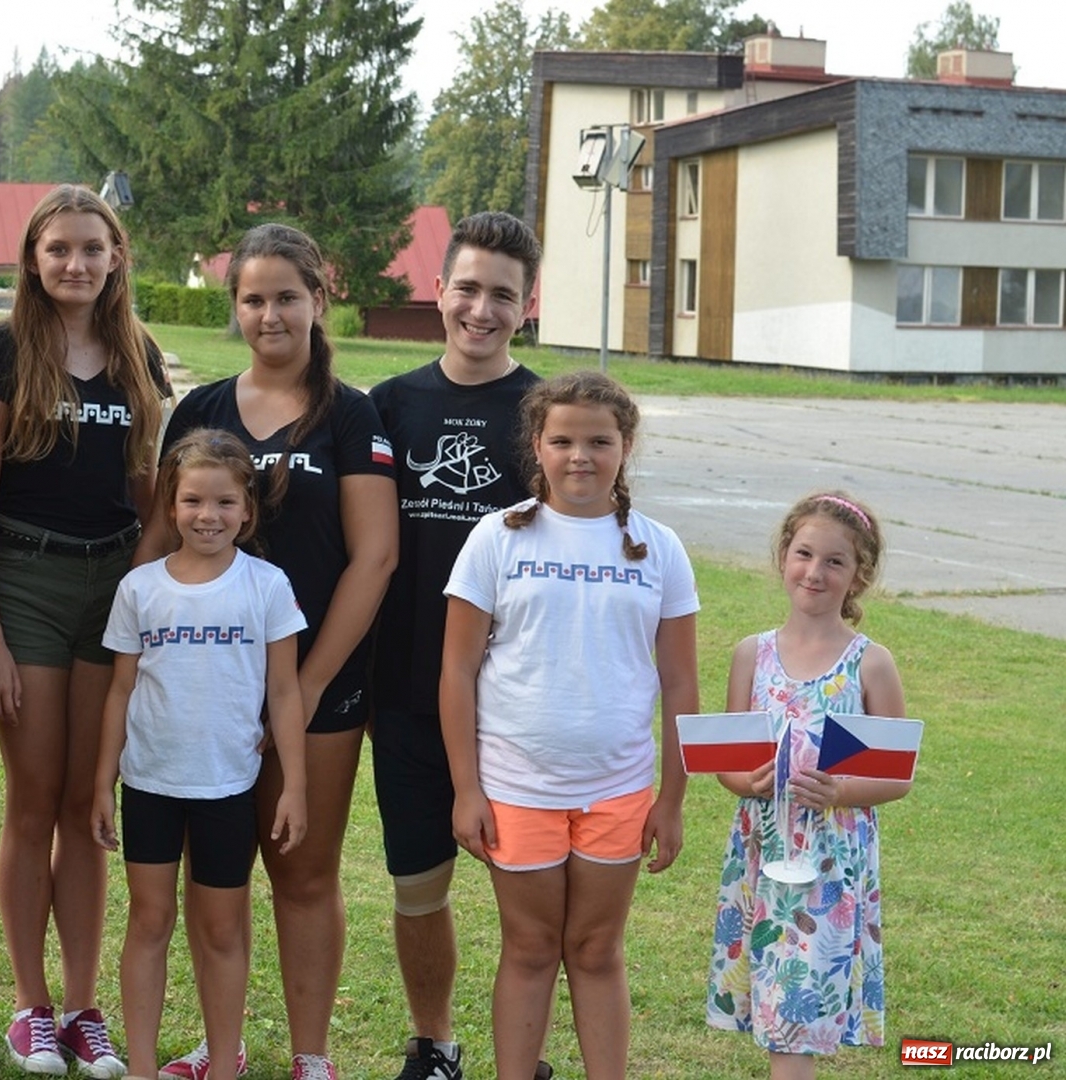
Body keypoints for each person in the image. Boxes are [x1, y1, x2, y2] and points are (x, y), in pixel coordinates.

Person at [142, 223, 397, 1080]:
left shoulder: (353, 414)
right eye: (253, 298)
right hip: (203, 689)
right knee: (217, 876)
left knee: (303, 871)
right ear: (235, 306)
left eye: (287, 296)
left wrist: (311, 680)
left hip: (316, 691)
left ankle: (311, 1056)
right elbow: (157, 543)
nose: (270, 314)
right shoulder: (203, 409)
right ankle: (223, 1047)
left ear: (319, 300)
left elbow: (376, 556)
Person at [0, 183, 171, 1079]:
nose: (77, 264)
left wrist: (145, 595)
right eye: (59, 250)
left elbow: (151, 489)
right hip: (28, 579)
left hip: (114, 584)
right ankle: (29, 1006)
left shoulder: (139, 355)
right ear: (33, 260)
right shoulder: (2, 352)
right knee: (35, 800)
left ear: (116, 255)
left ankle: (84, 1010)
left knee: (92, 810)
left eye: (93, 248)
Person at [441, 371, 699, 1080]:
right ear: (537, 446)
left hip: (617, 787)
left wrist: (671, 800)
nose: (579, 455)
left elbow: (680, 683)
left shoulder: (659, 548)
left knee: (594, 950)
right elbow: (456, 672)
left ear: (626, 447)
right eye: (562, 440)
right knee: (528, 949)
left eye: (599, 441)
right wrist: (467, 790)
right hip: (516, 786)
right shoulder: (496, 538)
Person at [366, 211, 548, 1080]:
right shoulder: (388, 407)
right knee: (418, 887)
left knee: (532, 906)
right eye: (467, 288)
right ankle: (434, 1044)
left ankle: (526, 1055)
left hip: (519, 702)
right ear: (437, 290)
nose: (481, 309)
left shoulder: (550, 416)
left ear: (529, 305)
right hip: (405, 692)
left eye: (502, 295)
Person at [93, 428, 309, 1080]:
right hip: (152, 782)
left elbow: (284, 691)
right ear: (170, 503)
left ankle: (222, 1061)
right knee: (150, 920)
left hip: (227, 787)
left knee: (220, 932)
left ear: (247, 510)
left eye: (223, 503)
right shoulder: (141, 589)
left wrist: (295, 783)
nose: (207, 516)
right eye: (191, 501)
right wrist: (103, 781)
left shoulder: (266, 586)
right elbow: (121, 688)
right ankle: (138, 1065)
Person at [705, 492, 909, 1079]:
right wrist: (747, 779)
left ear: (859, 576)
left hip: (830, 864)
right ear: (783, 557)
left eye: (835, 562)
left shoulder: (869, 664)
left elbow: (895, 774)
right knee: (774, 1000)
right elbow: (728, 763)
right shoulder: (753, 654)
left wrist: (841, 791)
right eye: (803, 554)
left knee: (800, 1014)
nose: (814, 573)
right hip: (763, 852)